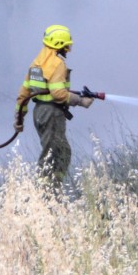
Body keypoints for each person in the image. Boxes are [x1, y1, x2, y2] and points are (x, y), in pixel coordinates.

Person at [14, 24, 93, 183]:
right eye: (66, 45)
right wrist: (80, 101)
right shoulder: (57, 63)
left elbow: (24, 93)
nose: (68, 48)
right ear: (60, 45)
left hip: (39, 112)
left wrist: (19, 118)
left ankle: (50, 190)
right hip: (51, 113)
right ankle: (48, 193)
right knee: (55, 154)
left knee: (57, 151)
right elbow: (58, 93)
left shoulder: (38, 62)